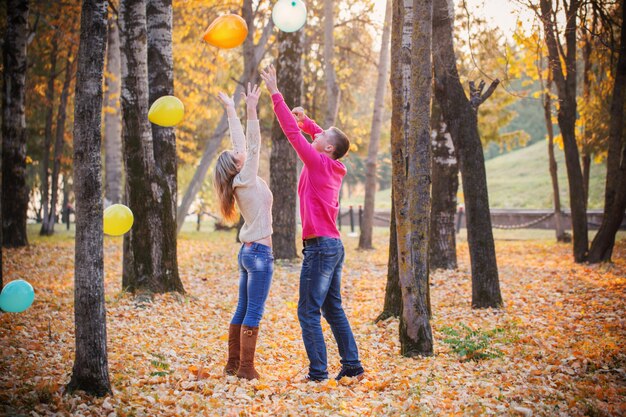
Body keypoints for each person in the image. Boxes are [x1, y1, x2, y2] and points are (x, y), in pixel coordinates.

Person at [260, 65, 365, 382]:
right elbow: (317, 132)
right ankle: (352, 366)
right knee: (332, 309)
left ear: (327, 148)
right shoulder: (333, 165)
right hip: (332, 246)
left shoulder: (318, 162)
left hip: (320, 248)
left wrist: (276, 93)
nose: (314, 135)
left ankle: (318, 373)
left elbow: (292, 134)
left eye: (318, 136)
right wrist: (309, 122)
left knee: (308, 311)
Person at [214, 83, 274, 380]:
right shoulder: (246, 176)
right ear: (237, 165)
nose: (240, 152)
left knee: (242, 308)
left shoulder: (238, 179)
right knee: (253, 312)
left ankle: (232, 364)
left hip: (247, 253)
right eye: (236, 154)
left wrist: (230, 108)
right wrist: (251, 108)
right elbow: (252, 143)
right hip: (260, 253)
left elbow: (240, 142)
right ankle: (247, 370)